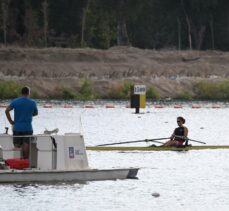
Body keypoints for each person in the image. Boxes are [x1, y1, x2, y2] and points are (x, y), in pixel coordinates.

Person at [5, 86, 38, 159]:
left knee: (17, 145)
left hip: (17, 128)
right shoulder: (32, 102)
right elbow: (35, 113)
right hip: (28, 128)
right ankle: (25, 161)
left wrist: (10, 121)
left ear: (21, 93)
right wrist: (28, 114)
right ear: (28, 93)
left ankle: (17, 162)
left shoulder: (15, 101)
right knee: (26, 145)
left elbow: (7, 110)